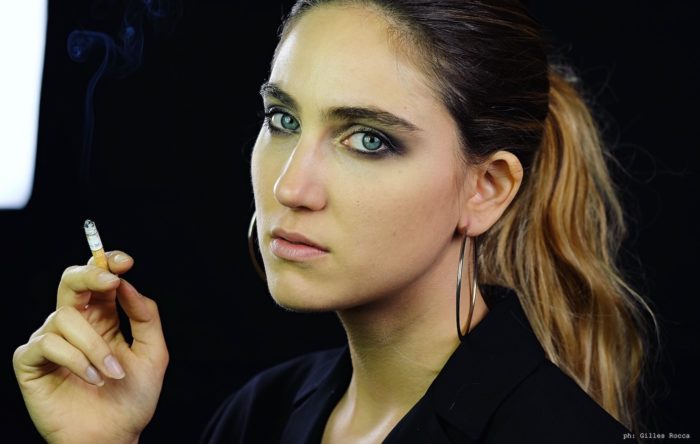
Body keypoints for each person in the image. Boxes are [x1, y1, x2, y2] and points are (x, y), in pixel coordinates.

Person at [13, 0, 658, 442]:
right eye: (283, 120)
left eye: (368, 139)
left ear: (485, 189)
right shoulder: (258, 416)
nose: (290, 187)